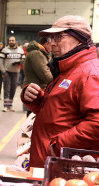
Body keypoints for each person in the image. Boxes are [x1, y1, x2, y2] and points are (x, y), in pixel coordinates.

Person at [21, 15, 99, 169]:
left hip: (64, 166)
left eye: (58, 37)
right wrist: (36, 99)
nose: (52, 44)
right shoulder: (68, 69)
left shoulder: (90, 73)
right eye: (51, 38)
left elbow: (96, 122)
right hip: (49, 163)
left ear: (79, 38)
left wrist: (58, 146)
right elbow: (61, 111)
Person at [21, 40, 52, 117]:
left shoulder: (35, 53)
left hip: (34, 89)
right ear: (46, 44)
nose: (53, 46)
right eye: (51, 44)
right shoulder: (36, 54)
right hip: (36, 90)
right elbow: (45, 75)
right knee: (33, 118)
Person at [0, 36, 24, 112]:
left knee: (13, 89)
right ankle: (5, 106)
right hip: (7, 72)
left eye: (12, 40)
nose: (11, 42)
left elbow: (23, 60)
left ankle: (10, 105)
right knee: (6, 89)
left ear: (15, 41)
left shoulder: (20, 50)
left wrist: (19, 63)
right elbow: (0, 61)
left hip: (16, 72)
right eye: (10, 40)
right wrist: (3, 71)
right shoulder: (5, 50)